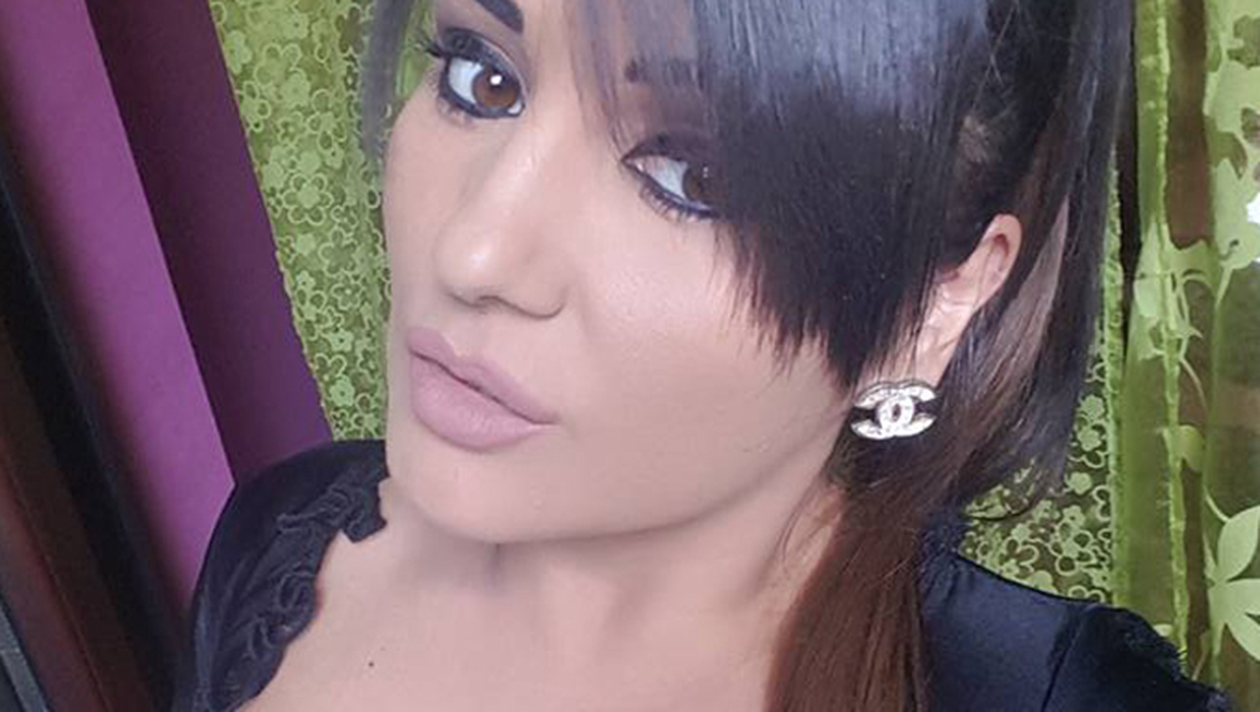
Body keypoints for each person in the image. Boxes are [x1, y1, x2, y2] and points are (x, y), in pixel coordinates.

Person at [172, 0, 1232, 710]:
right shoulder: (277, 548)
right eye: (481, 77)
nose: (475, 252)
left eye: (696, 176)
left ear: (932, 301)